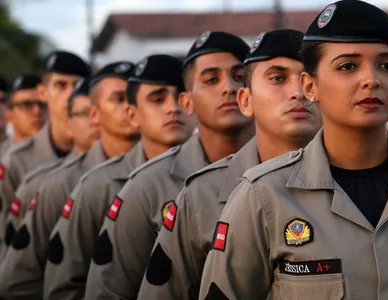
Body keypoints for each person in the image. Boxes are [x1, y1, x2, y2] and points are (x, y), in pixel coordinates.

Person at [199, 1, 388, 299]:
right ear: (309, 85)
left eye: (387, 66)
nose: (371, 80)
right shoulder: (265, 195)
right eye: (348, 66)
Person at [137, 29, 322, 300]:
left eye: (309, 81)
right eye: (278, 78)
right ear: (245, 101)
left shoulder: (362, 181)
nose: (298, 92)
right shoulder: (201, 194)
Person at [85, 31, 254, 300]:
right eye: (211, 79)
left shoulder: (288, 170)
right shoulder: (146, 186)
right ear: (187, 102)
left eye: (239, 77)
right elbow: (110, 289)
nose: (229, 88)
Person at [44, 54, 196, 300]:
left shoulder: (220, 177)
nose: (172, 108)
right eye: (158, 99)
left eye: (180, 97)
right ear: (133, 113)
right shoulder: (93, 186)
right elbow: (63, 285)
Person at [0, 61, 138, 299]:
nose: (126, 108)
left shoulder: (161, 175)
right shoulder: (53, 184)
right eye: (83, 113)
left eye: (132, 99)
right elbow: (18, 280)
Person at [0, 51, 91, 252]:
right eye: (60, 85)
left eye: (76, 85)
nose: (69, 94)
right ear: (42, 92)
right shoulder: (18, 160)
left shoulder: (99, 149)